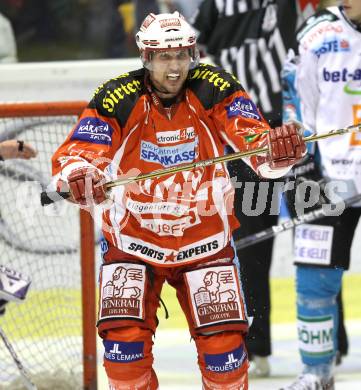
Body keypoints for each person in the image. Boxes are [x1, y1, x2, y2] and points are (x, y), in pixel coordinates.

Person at [51, 11, 306, 390]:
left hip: (205, 243)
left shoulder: (215, 85)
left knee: (226, 362)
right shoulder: (117, 95)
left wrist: (274, 156)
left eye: (182, 55)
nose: (174, 66)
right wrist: (78, 176)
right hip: (133, 243)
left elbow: (255, 144)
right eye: (164, 57)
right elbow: (77, 154)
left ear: (193, 54)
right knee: (124, 358)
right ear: (146, 58)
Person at [191, 0, 321, 377]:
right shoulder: (214, 7)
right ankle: (256, 347)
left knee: (315, 235)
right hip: (245, 138)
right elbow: (193, 59)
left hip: (298, 132)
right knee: (251, 246)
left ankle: (330, 346)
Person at [280, 1, 361, 389]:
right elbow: (295, 104)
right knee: (314, 278)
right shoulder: (317, 34)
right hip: (329, 173)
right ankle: (316, 372)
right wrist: (303, 165)